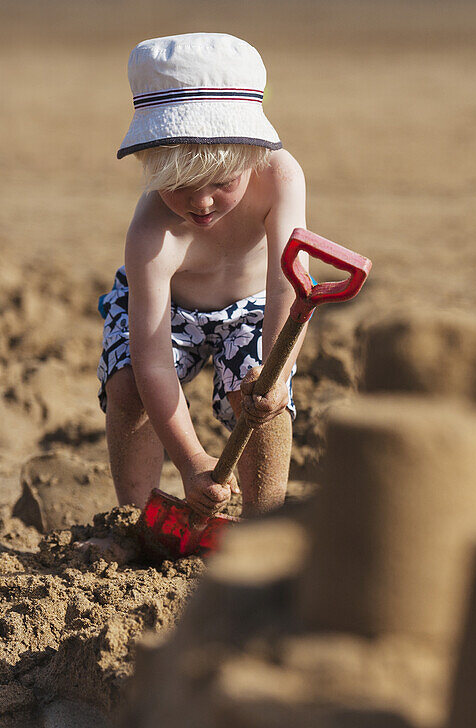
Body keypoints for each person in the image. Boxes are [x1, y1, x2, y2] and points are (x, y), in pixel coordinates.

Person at [97, 33, 307, 519]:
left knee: (260, 396)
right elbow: (153, 363)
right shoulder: (152, 233)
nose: (202, 202)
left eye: (222, 182)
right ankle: (137, 517)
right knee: (128, 384)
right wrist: (192, 463)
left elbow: (287, 285)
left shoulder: (281, 178)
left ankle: (263, 522)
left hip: (255, 307)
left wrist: (277, 376)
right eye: (179, 186)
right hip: (170, 314)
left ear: (253, 158)